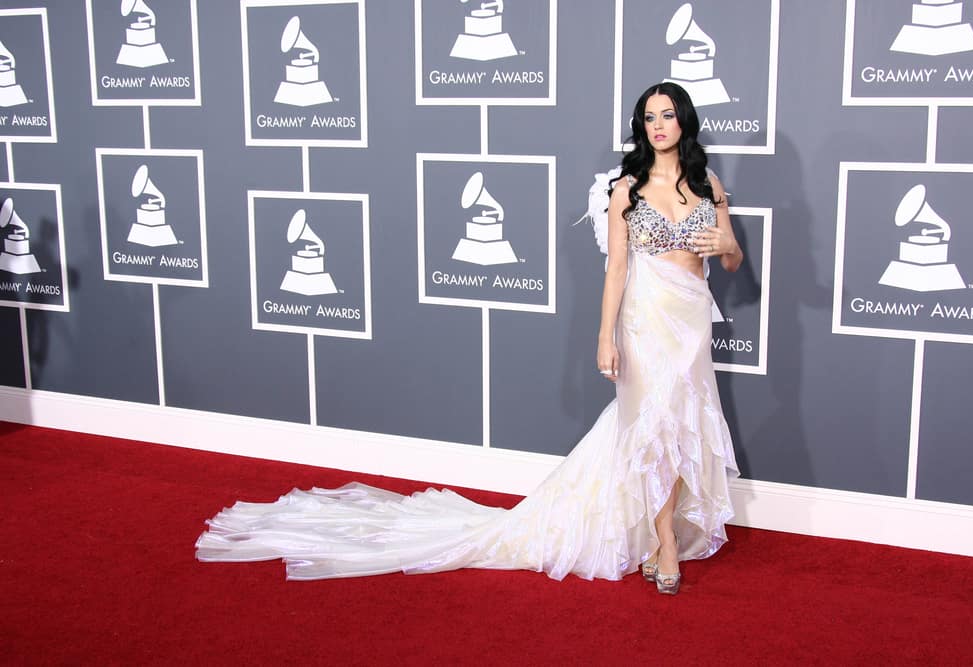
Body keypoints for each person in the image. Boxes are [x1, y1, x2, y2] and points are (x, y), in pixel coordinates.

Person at [196, 82, 741, 595]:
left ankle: (656, 533)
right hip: (644, 323)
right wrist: (605, 337)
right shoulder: (625, 189)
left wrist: (724, 245)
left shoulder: (708, 186)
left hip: (689, 324)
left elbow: (734, 258)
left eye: (667, 115)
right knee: (653, 429)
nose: (658, 125)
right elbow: (616, 270)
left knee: (680, 427)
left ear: (684, 121)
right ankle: (666, 541)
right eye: (648, 117)